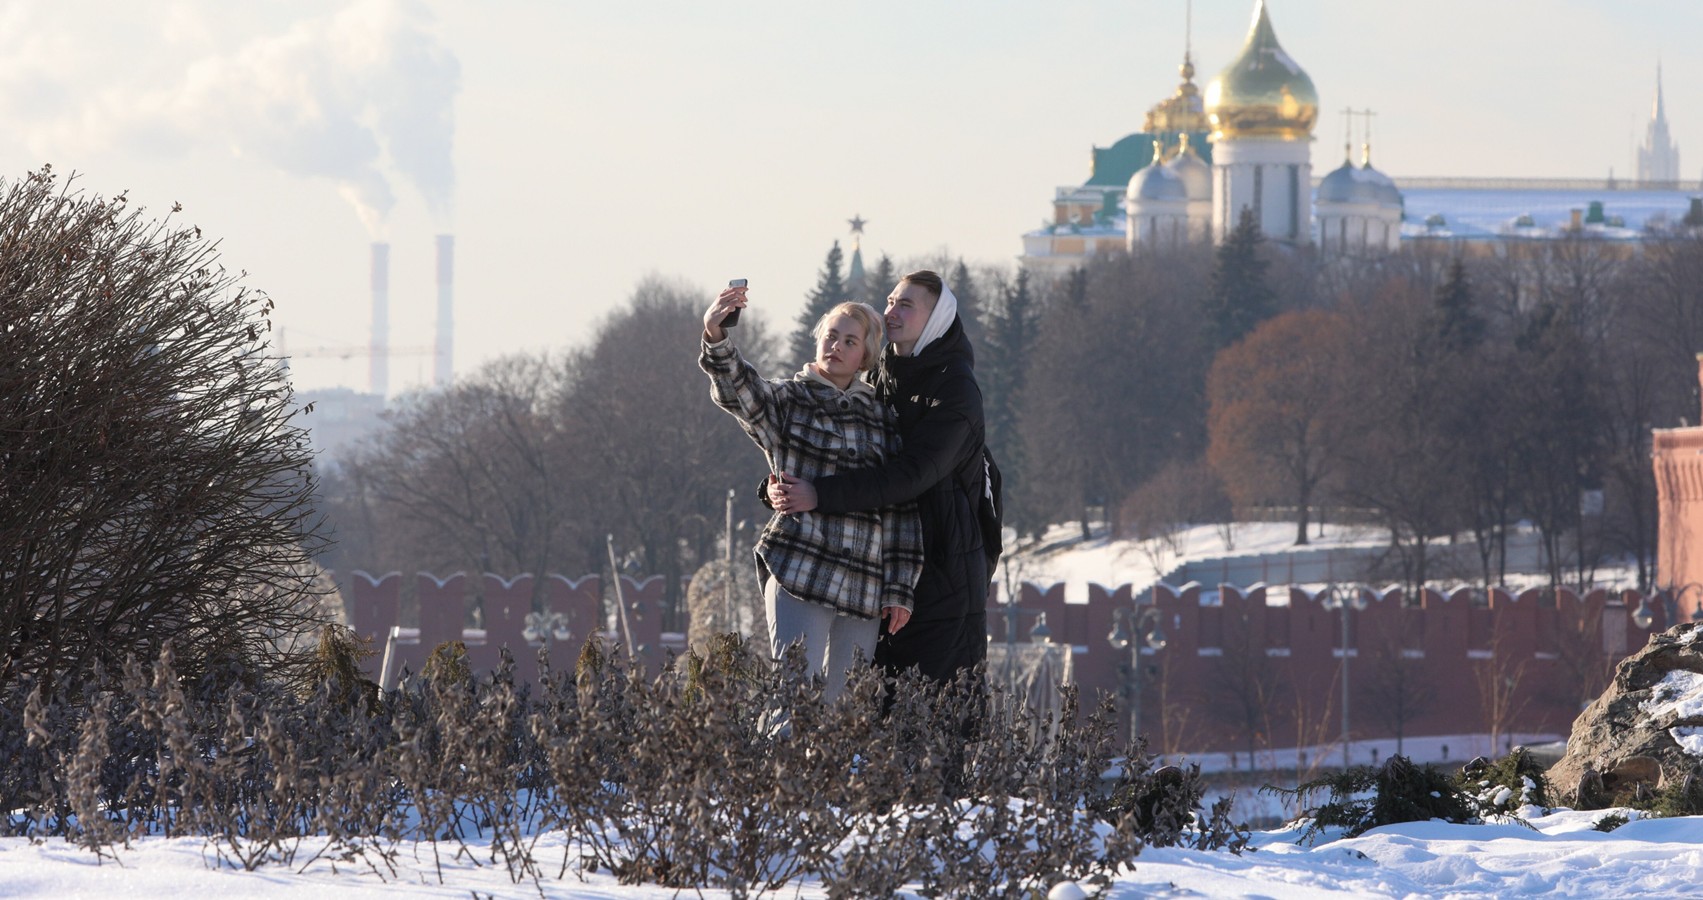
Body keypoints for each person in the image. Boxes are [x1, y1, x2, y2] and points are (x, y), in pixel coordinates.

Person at [700, 285, 923, 701]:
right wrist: (716, 336)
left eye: (850, 341)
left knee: (841, 718)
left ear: (866, 356)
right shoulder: (789, 399)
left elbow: (900, 507)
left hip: (863, 586)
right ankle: (776, 767)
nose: (836, 346)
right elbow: (741, 392)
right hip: (801, 566)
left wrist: (899, 589)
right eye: (831, 336)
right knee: (792, 701)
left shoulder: (882, 419)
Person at [768, 270, 988, 684]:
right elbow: (849, 455)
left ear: (936, 317)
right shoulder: (883, 375)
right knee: (865, 706)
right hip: (877, 568)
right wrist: (778, 486)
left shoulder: (956, 390)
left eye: (906, 305)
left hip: (942, 570)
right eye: (889, 301)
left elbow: (910, 476)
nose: (891, 312)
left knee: (934, 707)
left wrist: (818, 493)